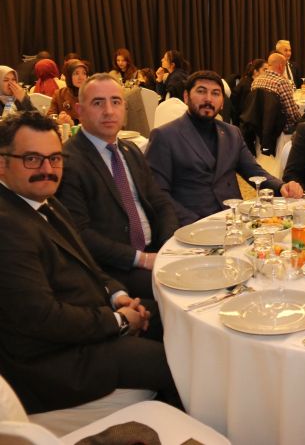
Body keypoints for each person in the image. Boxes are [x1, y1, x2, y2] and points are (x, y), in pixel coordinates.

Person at [0, 112, 179, 413]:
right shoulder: (7, 225)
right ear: (3, 163)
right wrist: (119, 321)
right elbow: (42, 319)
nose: (47, 170)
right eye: (32, 159)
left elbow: (87, 263)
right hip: (54, 361)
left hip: (86, 322)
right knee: (175, 362)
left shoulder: (46, 202)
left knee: (175, 318)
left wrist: (117, 296)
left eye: (54, 158)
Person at [58, 73, 178, 299]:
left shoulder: (130, 150)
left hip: (155, 252)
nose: (109, 111)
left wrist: (168, 246)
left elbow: (160, 202)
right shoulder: (69, 161)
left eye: (115, 101)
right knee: (183, 288)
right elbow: (79, 234)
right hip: (114, 268)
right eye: (98, 103)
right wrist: (141, 259)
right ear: (79, 110)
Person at [146, 70, 302, 225]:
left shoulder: (232, 133)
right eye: (201, 91)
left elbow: (254, 171)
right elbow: (157, 193)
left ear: (222, 103)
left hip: (234, 220)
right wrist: (195, 223)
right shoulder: (165, 136)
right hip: (192, 225)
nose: (208, 99)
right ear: (186, 97)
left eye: (215, 93)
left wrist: (281, 186)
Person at [249, 53, 302, 133]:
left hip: (259, 127)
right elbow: (292, 115)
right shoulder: (282, 82)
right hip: (280, 129)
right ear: (281, 66)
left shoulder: (256, 81)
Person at [47, 59, 87, 126]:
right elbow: (50, 117)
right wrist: (58, 120)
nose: (81, 77)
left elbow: (95, 118)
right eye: (76, 73)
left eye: (84, 73)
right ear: (68, 76)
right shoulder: (59, 94)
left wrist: (73, 123)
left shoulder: (91, 94)